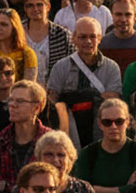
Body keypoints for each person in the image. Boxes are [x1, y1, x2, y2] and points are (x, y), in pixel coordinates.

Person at [46, 18, 122, 149]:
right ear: (73, 39)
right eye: (82, 37)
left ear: (99, 38)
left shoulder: (111, 68)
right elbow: (52, 100)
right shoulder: (60, 67)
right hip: (69, 123)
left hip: (100, 124)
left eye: (92, 36)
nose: (88, 41)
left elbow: (111, 101)